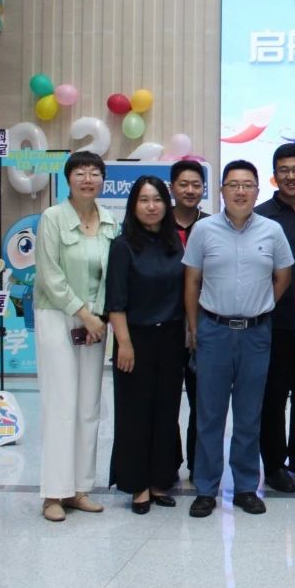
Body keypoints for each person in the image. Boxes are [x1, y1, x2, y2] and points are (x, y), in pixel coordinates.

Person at [183, 160, 293, 518]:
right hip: (213, 331)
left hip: (256, 334)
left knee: (249, 415)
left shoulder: (272, 230)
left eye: (248, 185)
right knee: (209, 415)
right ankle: (205, 488)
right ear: (222, 191)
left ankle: (246, 487)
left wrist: (262, 306)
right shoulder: (204, 230)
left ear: (257, 191)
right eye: (233, 185)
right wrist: (194, 327)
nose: (240, 191)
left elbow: (283, 276)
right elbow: (192, 281)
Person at [34, 151, 120, 522]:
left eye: (94, 173)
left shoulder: (110, 221)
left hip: (95, 322)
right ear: (68, 179)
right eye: (80, 173)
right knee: (61, 404)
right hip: (58, 315)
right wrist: (83, 313)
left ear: (102, 180)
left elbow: (111, 274)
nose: (88, 179)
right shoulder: (53, 218)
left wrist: (97, 315)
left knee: (88, 406)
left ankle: (79, 489)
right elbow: (49, 274)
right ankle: (54, 493)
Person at [106, 176, 185, 514]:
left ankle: (159, 480)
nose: (152, 207)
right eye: (144, 200)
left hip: (171, 338)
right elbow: (116, 301)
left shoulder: (174, 244)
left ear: (166, 204)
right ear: (133, 206)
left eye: (157, 200)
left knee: (166, 411)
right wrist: (124, 343)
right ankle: (137, 485)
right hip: (134, 339)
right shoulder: (123, 246)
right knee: (135, 413)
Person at [255, 142, 295, 493]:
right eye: (284, 170)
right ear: (275, 175)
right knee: (274, 396)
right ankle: (274, 463)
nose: (291, 176)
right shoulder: (261, 216)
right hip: (273, 320)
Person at [169, 159, 208, 479]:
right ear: (172, 188)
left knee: (202, 401)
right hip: (164, 325)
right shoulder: (156, 223)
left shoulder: (212, 226)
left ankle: (199, 464)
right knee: (166, 401)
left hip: (203, 326)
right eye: (184, 184)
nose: (190, 190)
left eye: (196, 185)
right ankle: (167, 464)